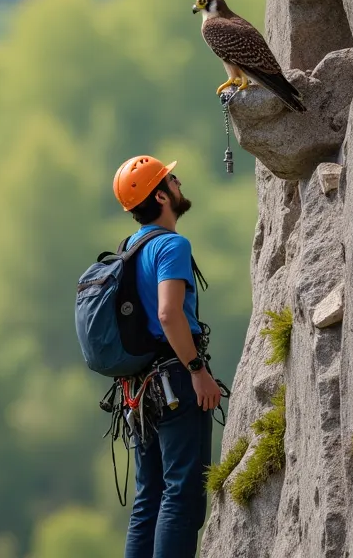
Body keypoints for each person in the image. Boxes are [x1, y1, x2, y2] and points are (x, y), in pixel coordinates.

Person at [111, 154, 222, 558]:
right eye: (171, 179)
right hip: (175, 380)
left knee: (150, 496)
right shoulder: (172, 245)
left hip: (139, 389)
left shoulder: (130, 248)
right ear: (161, 195)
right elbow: (168, 313)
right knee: (183, 493)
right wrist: (197, 370)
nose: (179, 182)